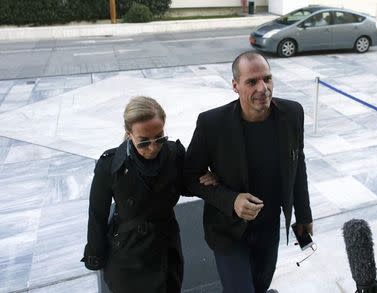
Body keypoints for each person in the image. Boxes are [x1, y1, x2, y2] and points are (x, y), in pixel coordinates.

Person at [184, 52, 313, 293]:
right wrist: (231, 200)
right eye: (252, 81)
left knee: (260, 286)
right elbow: (188, 176)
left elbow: (298, 163)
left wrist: (304, 214)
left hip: (269, 228)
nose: (263, 88)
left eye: (267, 78)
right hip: (228, 231)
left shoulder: (292, 113)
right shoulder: (212, 124)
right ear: (235, 85)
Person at [82, 96, 217, 293]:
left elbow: (183, 186)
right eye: (143, 142)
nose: (153, 148)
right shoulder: (110, 165)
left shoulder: (174, 154)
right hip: (127, 255)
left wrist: (205, 179)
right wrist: (95, 254)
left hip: (166, 248)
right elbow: (97, 213)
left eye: (160, 138)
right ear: (129, 134)